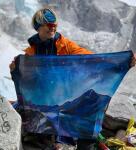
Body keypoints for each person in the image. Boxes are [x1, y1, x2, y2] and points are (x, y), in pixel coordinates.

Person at [10, 8, 136, 150]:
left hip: (66, 94)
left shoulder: (66, 45)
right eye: (48, 24)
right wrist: (15, 70)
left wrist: (122, 62)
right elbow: (25, 80)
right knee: (34, 127)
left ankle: (74, 143)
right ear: (38, 27)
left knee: (84, 115)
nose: (53, 27)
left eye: (54, 24)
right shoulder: (30, 53)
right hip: (46, 99)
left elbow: (92, 61)